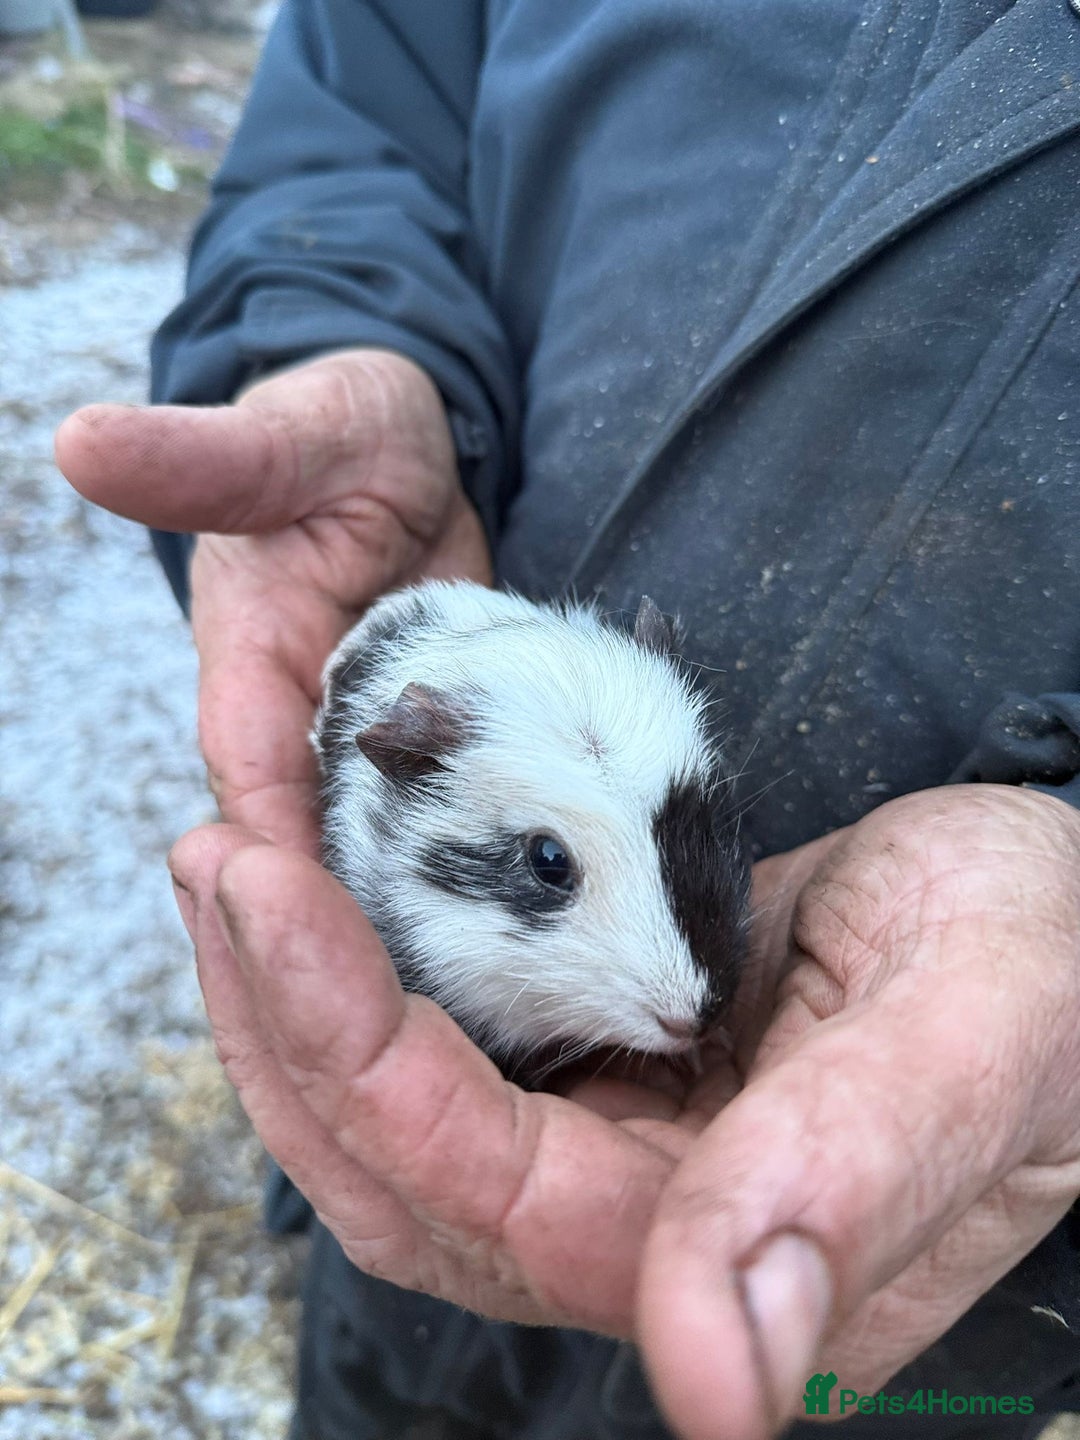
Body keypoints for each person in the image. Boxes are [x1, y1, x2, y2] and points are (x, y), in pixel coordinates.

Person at [55, 1, 1080, 1436]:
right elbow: (367, 97)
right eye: (547, 872)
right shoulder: (402, 792)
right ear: (403, 789)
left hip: (928, 1294)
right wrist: (336, 323)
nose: (678, 999)